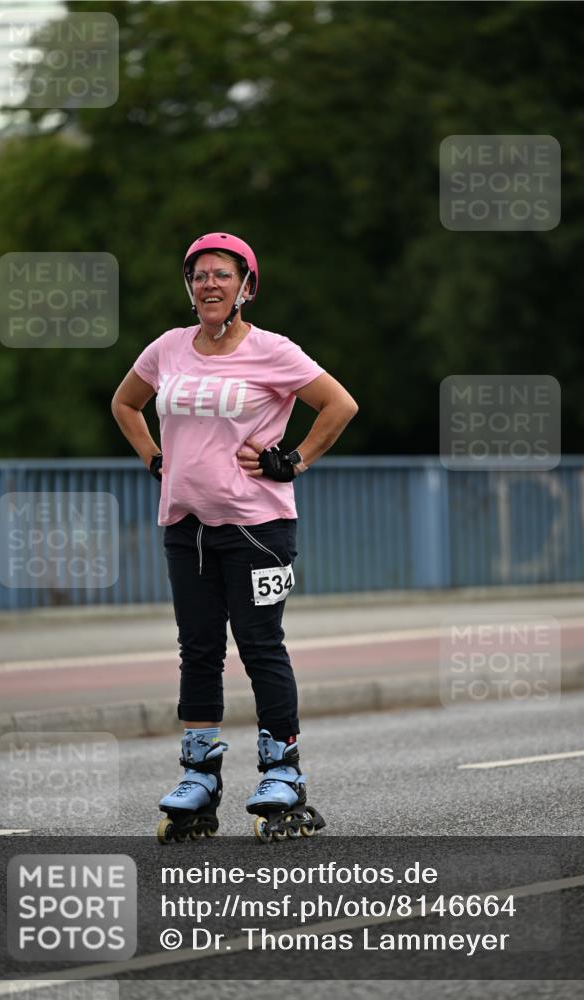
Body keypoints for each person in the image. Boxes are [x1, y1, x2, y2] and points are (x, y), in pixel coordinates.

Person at [111, 232, 358, 842]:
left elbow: (339, 405)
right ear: (188, 287)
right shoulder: (169, 348)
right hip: (185, 524)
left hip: (258, 526)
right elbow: (126, 403)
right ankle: (200, 774)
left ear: (246, 285)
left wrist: (292, 461)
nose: (209, 285)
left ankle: (283, 771)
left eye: (222, 274)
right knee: (197, 649)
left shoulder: (273, 351)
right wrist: (153, 458)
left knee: (259, 646)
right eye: (198, 276)